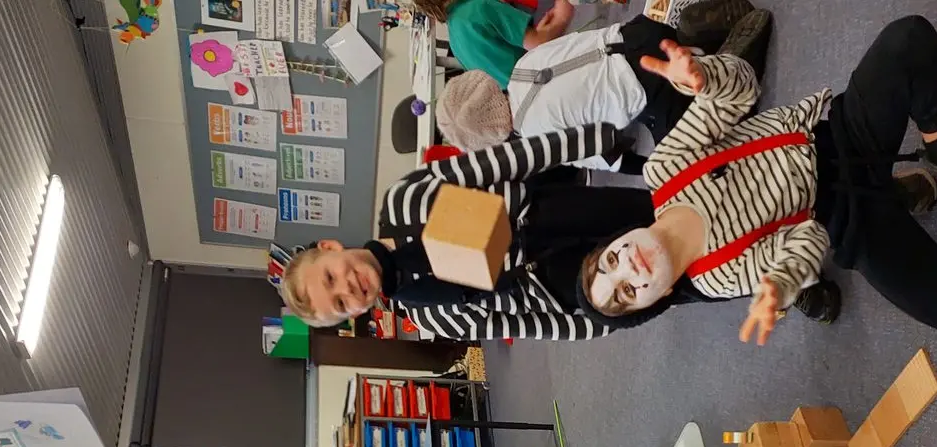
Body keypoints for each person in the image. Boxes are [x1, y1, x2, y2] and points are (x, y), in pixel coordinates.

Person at [575, 15, 937, 340]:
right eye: (629, 292)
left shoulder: (664, 170)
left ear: (620, 239)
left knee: (907, 40)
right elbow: (810, 238)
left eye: (611, 261)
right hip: (842, 216)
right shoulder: (713, 277)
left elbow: (741, 91)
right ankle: (892, 195)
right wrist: (781, 282)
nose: (628, 268)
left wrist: (705, 78)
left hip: (832, 133)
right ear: (661, 296)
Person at [273, 126, 676, 340]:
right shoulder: (429, 315)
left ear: (329, 247)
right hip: (559, 287)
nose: (349, 288)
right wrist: (602, 322)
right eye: (342, 304)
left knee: (662, 215)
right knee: (671, 279)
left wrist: (590, 143)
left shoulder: (403, 200)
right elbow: (522, 325)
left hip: (551, 214)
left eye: (331, 277)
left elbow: (500, 162)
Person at [435, 7, 773, 173]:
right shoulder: (524, 65)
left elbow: (614, 158)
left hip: (650, 87)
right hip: (638, 32)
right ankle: (693, 40)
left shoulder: (539, 139)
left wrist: (655, 168)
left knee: (692, 164)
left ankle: (727, 71)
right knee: (662, 52)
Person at [414, 0, 576, 88]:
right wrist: (562, 15)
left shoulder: (455, 38)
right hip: (551, 78)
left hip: (524, 96)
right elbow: (540, 42)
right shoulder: (479, 8)